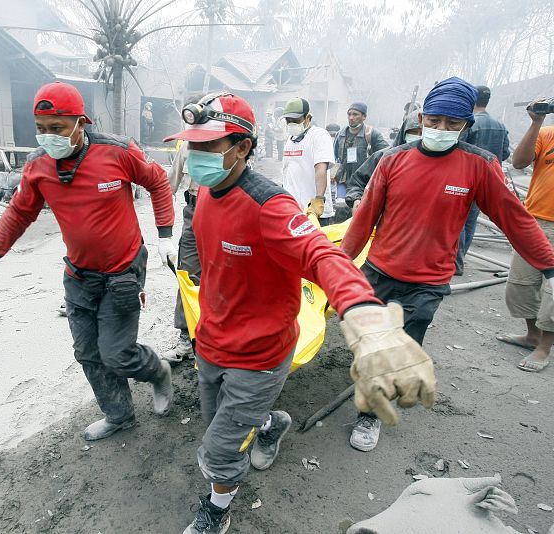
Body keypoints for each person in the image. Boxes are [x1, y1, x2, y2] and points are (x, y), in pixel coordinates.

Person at [164, 92, 437, 534]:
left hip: (260, 352)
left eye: (208, 147)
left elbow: (321, 256)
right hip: (212, 341)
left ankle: (218, 509)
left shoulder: (270, 206)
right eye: (191, 145)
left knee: (217, 449)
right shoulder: (206, 197)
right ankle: (271, 423)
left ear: (243, 148)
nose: (195, 156)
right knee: (220, 420)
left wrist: (364, 313)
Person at [341, 77, 554, 452]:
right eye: (435, 120)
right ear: (422, 117)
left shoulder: (479, 165)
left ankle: (371, 412)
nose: (441, 129)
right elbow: (364, 219)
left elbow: (514, 219)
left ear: (466, 125)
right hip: (380, 270)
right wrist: (340, 267)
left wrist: (548, 266)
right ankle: (374, 398)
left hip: (429, 279)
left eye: (452, 124)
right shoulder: (393, 160)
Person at [0, 81, 178, 441]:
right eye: (40, 129)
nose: (47, 136)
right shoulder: (38, 166)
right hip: (79, 275)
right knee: (88, 353)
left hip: (123, 272)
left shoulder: (116, 152)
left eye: (56, 128)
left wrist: (164, 235)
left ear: (80, 123)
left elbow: (158, 182)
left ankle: (158, 370)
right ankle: (119, 415)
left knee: (116, 354)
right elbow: (20, 212)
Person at [498, 99, 554, 372]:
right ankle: (532, 335)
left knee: (553, 293)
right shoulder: (546, 134)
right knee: (520, 284)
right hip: (534, 222)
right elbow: (519, 162)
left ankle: (544, 348)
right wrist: (536, 122)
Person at [454, 85, 511, 275]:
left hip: (464, 179)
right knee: (471, 221)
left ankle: (457, 261)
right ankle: (461, 258)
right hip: (487, 181)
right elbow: (504, 153)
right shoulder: (500, 125)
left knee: (458, 221)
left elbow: (457, 150)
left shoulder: (469, 124)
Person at [163, 95, 202, 363]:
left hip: (226, 214)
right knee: (187, 274)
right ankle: (186, 337)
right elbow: (169, 186)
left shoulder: (230, 144)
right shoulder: (186, 146)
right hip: (194, 212)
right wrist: (162, 233)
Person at [345, 105, 422, 210]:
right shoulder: (385, 157)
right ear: (403, 132)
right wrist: (356, 199)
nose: (417, 136)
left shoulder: (440, 161)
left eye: (421, 133)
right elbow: (358, 182)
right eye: (412, 132)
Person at [280, 97, 335, 225]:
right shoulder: (290, 139)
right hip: (293, 212)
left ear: (308, 118)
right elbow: (287, 171)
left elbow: (320, 168)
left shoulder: (319, 135)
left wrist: (319, 199)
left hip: (314, 213)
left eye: (295, 120)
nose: (291, 123)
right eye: (288, 120)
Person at [333, 101, 389, 199]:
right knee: (341, 207)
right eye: (349, 114)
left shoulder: (372, 134)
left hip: (362, 182)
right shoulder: (340, 134)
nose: (351, 117)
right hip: (343, 180)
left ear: (364, 117)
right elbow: (333, 157)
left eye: (355, 114)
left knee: (359, 209)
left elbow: (387, 154)